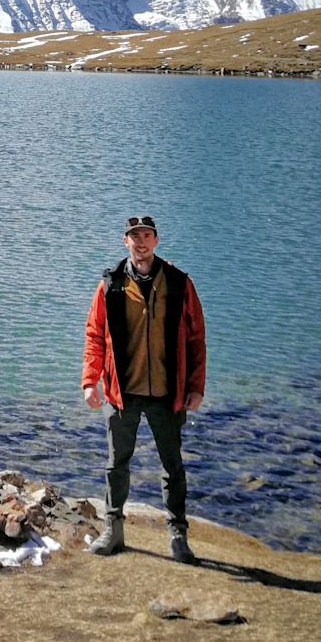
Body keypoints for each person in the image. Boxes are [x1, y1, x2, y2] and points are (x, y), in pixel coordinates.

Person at [81, 214, 206, 563]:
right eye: (134, 236)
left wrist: (195, 387)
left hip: (168, 395)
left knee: (172, 467)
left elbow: (196, 338)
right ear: (126, 242)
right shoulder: (111, 285)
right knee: (116, 465)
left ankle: (178, 535)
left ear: (156, 241)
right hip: (124, 393)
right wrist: (91, 381)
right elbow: (94, 335)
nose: (141, 242)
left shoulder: (180, 283)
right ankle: (113, 530)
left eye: (147, 235)